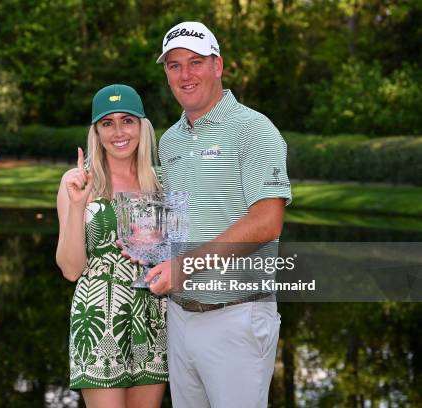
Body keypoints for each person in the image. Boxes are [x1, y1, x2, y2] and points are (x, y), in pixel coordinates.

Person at [144, 21, 292, 407]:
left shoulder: (254, 130)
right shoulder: (171, 139)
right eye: (174, 65)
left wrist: (185, 266)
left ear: (218, 66)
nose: (185, 74)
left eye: (195, 62)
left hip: (237, 316)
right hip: (179, 316)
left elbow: (266, 222)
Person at [56, 84, 168, 408]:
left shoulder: (162, 183)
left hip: (153, 318)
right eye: (108, 123)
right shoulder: (77, 182)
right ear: (97, 131)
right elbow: (71, 269)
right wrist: (78, 205)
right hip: (99, 317)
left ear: (142, 126)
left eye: (127, 120)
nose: (119, 132)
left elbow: (177, 256)